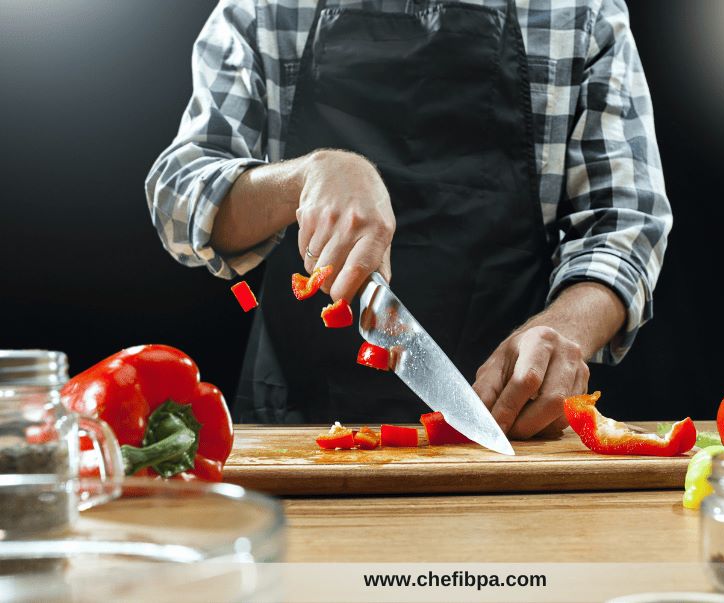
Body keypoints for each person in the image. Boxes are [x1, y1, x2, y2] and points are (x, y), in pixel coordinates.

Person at [145, 0, 671, 438]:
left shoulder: (579, 13)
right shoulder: (268, 9)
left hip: (510, 417)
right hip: (297, 425)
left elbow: (624, 224)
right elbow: (178, 196)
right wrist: (306, 177)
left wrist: (564, 329)